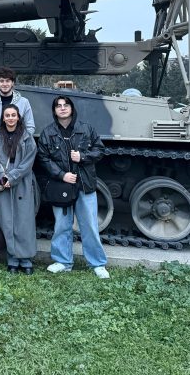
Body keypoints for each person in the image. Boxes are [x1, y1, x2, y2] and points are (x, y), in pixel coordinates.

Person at [38, 95, 110, 279]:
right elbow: (43, 157)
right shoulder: (48, 133)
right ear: (54, 110)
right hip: (61, 184)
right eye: (58, 106)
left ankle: (97, 263)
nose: (62, 108)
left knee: (90, 226)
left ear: (71, 108)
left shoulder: (86, 129)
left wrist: (83, 157)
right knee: (62, 225)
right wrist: (62, 175)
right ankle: (63, 261)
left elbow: (100, 150)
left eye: (66, 105)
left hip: (84, 184)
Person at [0, 104, 37, 274]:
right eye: (7, 115)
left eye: (13, 115)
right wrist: (1, 177)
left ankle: (26, 259)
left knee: (24, 222)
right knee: (6, 222)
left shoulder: (27, 137)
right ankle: (12, 259)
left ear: (18, 117)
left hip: (22, 182)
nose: (10, 118)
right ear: (3, 118)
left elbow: (28, 162)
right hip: (2, 182)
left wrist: (12, 177)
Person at [0, 67, 35, 140]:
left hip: (18, 144)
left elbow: (30, 126)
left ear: (12, 83)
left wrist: (21, 141)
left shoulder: (24, 102)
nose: (5, 84)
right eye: (1, 81)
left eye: (8, 81)